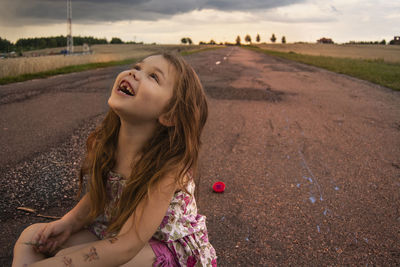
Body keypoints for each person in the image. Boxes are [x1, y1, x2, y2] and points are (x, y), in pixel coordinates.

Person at [12, 52, 217, 267]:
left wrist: (64, 263)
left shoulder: (168, 167)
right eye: (138, 68)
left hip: (161, 247)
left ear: (170, 115)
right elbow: (102, 193)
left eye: (153, 77)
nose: (134, 74)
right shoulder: (111, 143)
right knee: (32, 238)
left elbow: (128, 245)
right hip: (117, 233)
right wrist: (69, 223)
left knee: (69, 259)